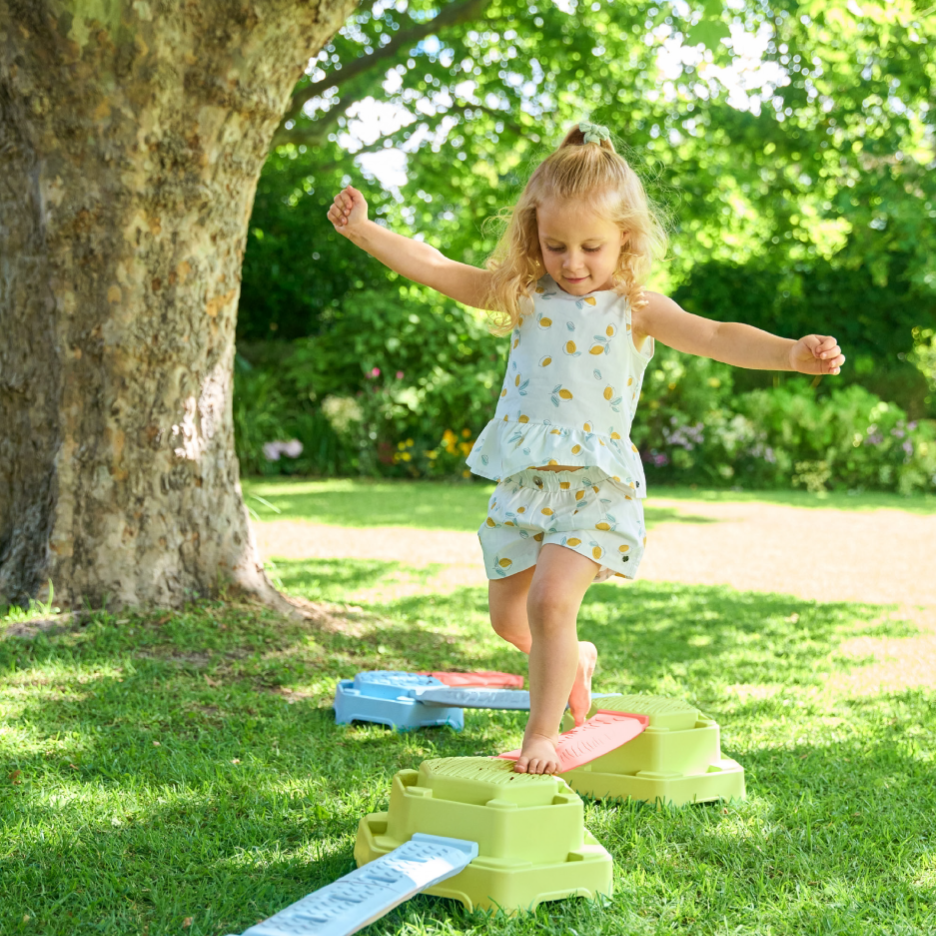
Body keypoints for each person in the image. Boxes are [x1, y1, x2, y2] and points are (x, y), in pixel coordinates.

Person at [327, 121, 845, 775]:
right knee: (509, 619)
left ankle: (540, 735)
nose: (573, 262)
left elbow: (716, 335)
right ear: (533, 237)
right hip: (525, 487)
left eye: (591, 247)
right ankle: (575, 655)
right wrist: (363, 230)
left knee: (550, 604)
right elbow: (435, 268)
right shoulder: (522, 294)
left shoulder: (637, 307)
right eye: (556, 245)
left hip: (595, 491)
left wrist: (792, 355)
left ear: (625, 238)